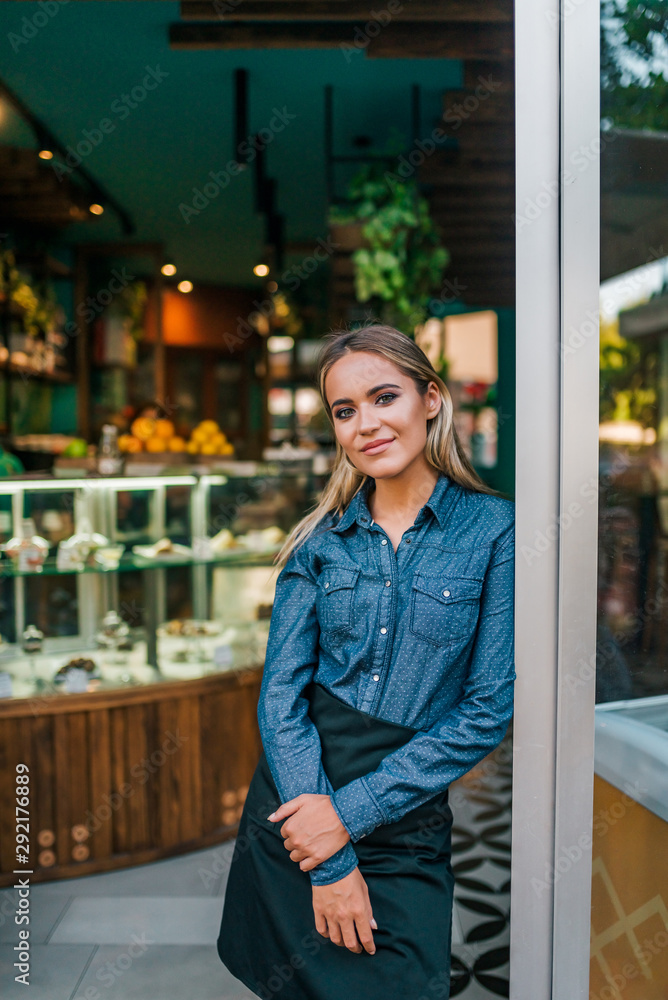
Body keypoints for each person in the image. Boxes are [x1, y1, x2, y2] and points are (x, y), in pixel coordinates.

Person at [217, 323, 516, 1000]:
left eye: (385, 397)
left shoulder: (495, 530)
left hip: (402, 814)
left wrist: (347, 817)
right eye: (346, 411)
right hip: (295, 802)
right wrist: (326, 858)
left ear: (431, 398)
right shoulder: (318, 545)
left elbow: (485, 709)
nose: (367, 424)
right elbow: (280, 701)